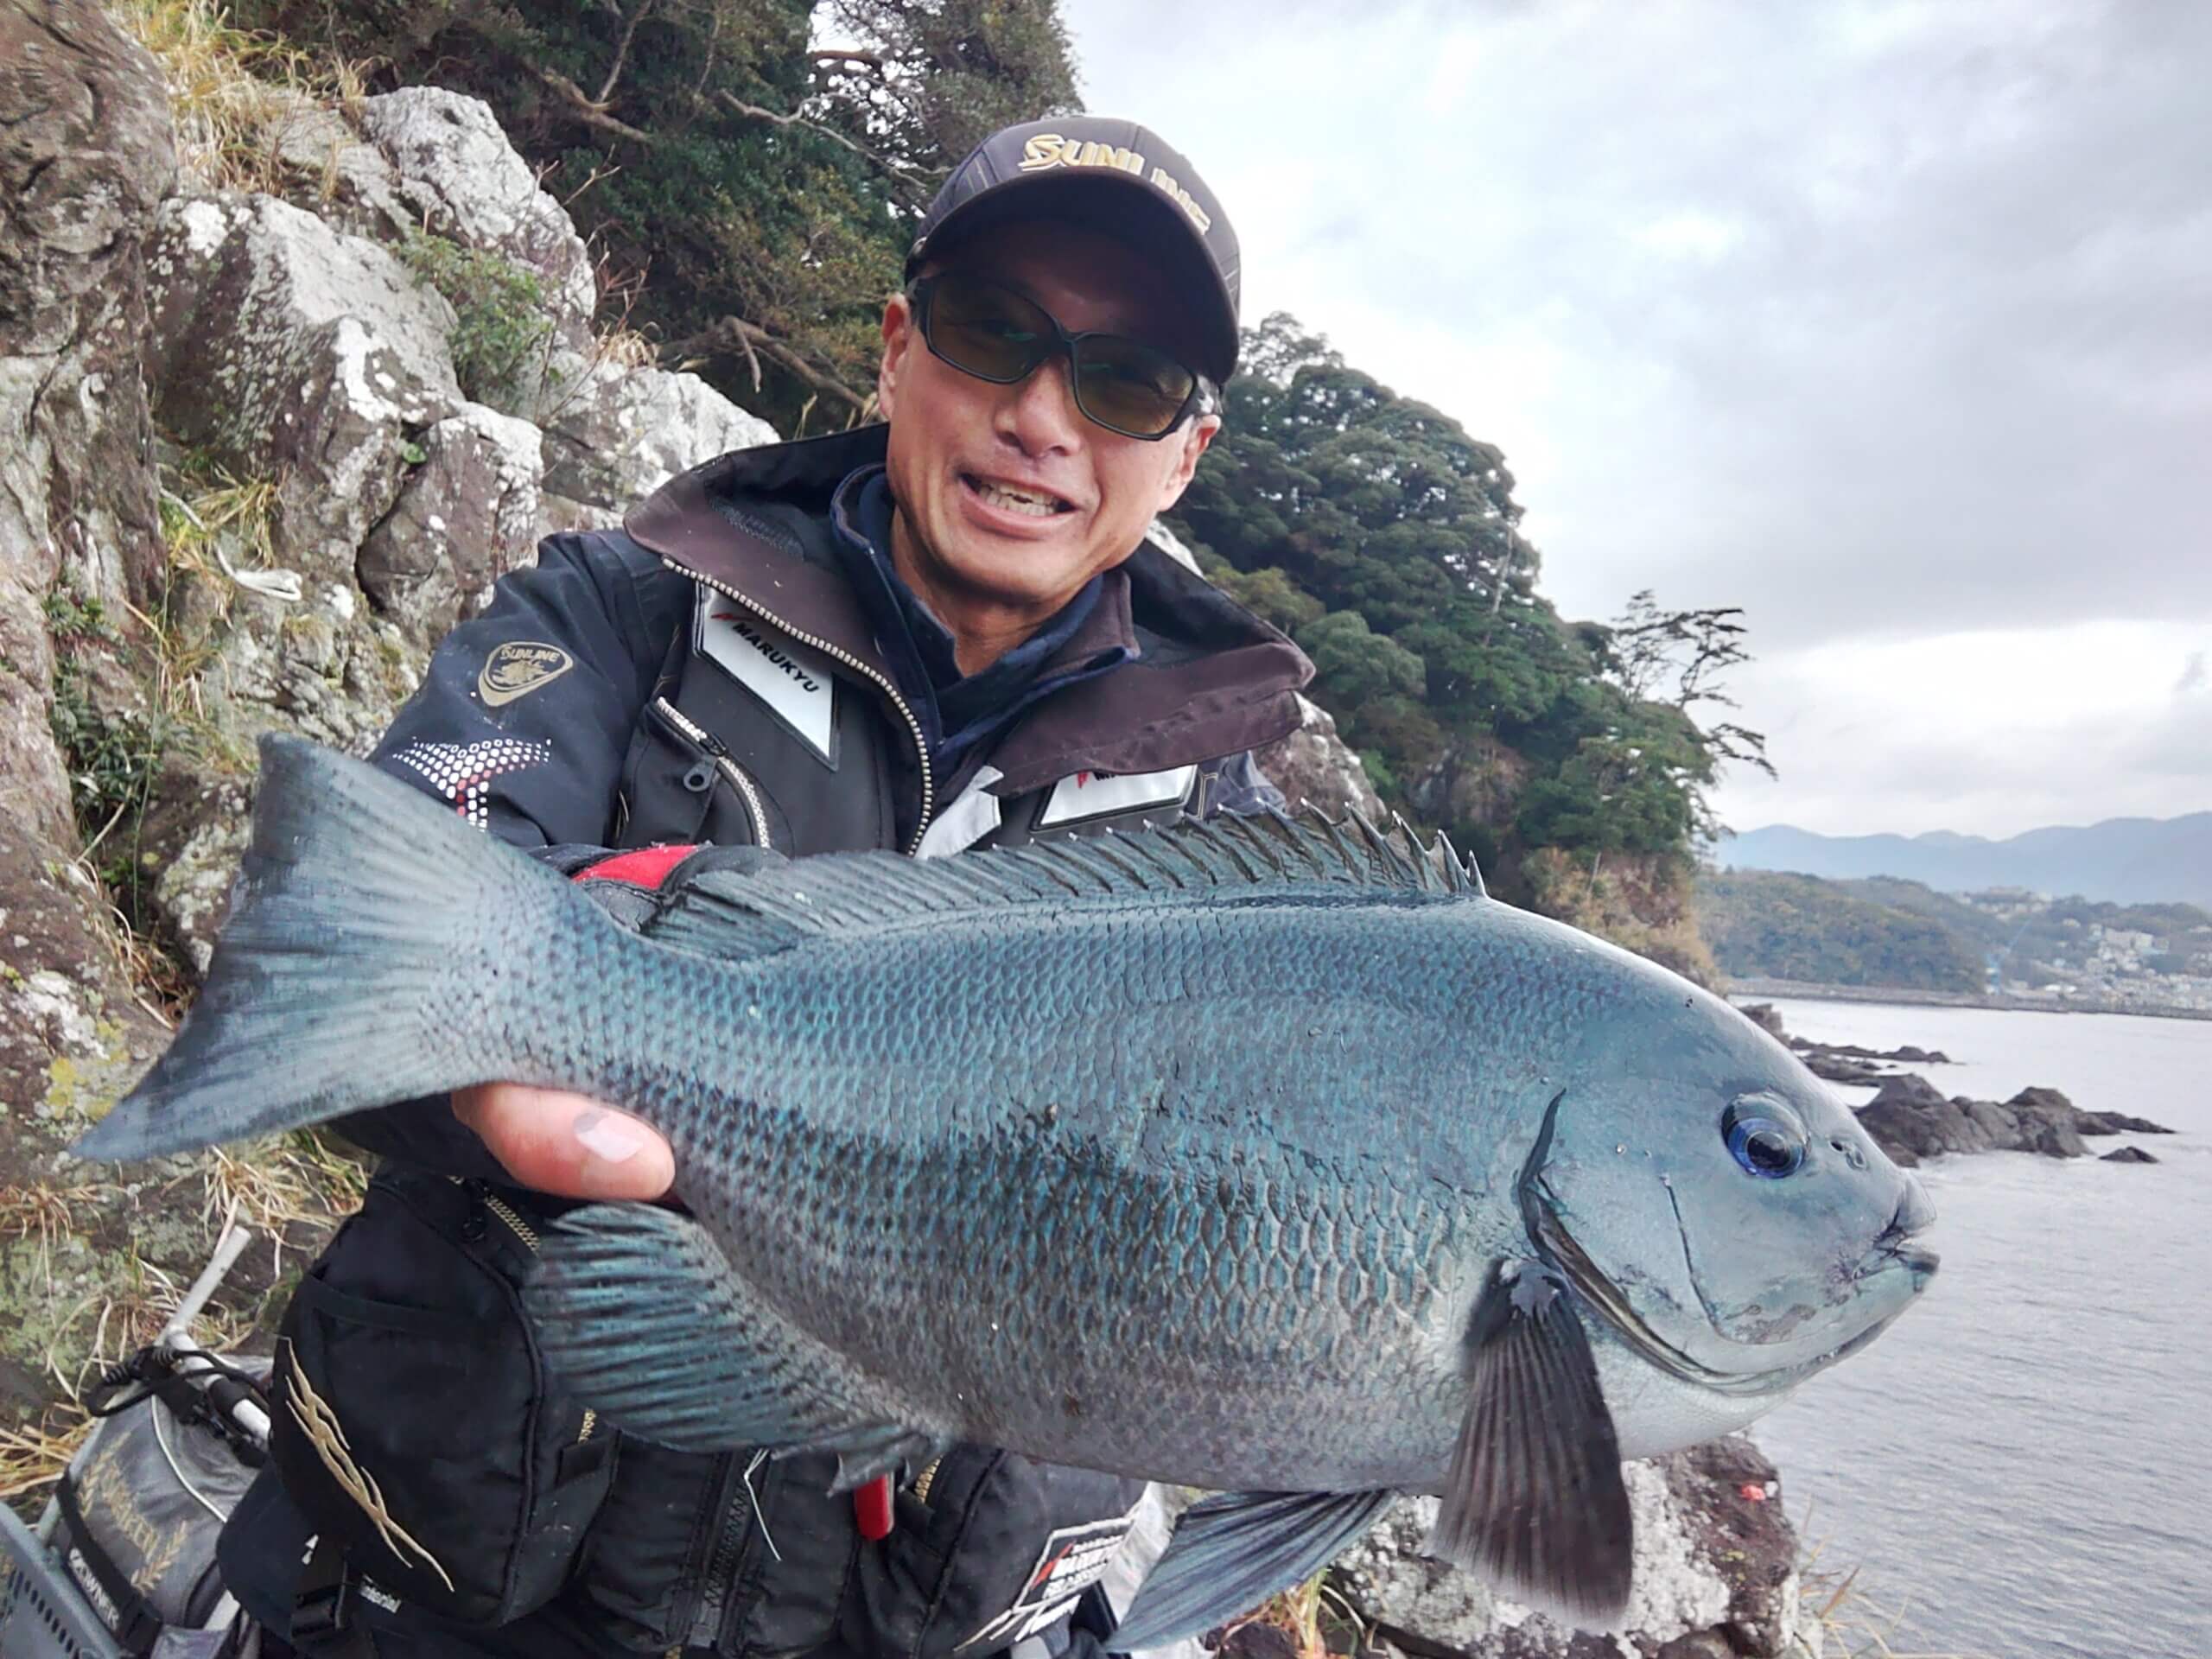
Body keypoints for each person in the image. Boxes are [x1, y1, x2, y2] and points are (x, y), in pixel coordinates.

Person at [215, 116, 1313, 1659]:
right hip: (458, 1595)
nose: (1041, 417)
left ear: (1184, 451)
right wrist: (627, 996)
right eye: (993, 331)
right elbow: (354, 925)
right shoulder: (619, 611)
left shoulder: (1238, 847)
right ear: (894, 348)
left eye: (1125, 382)